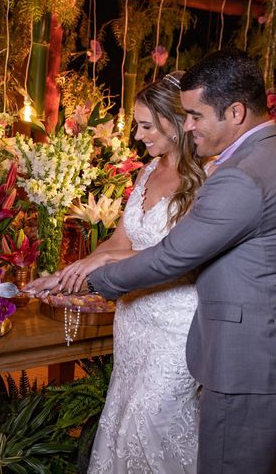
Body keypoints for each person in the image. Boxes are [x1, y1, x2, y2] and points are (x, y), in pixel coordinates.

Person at [78, 49, 276, 473]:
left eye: (196, 115)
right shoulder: (275, 154)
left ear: (235, 111)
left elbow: (173, 256)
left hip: (244, 359)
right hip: (253, 348)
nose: (188, 124)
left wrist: (92, 283)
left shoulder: (241, 176)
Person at [27, 71, 208, 472]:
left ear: (176, 122)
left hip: (176, 325)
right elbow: (120, 242)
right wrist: (70, 272)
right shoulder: (147, 172)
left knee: (155, 423)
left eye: (146, 126)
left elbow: (177, 258)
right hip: (134, 318)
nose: (138, 135)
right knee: (125, 422)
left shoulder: (206, 180)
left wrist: (105, 263)